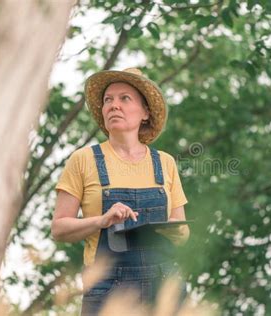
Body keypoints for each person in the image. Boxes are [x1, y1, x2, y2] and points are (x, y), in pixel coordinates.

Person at [51, 68, 190, 315]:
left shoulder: (165, 163)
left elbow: (183, 232)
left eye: (124, 98)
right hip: (107, 289)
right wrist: (102, 221)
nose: (114, 105)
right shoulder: (83, 160)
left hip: (164, 287)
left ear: (145, 113)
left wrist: (165, 228)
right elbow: (59, 229)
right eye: (108, 100)